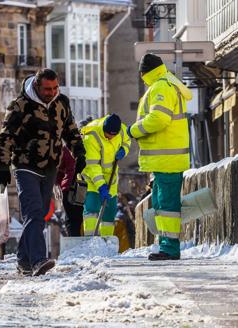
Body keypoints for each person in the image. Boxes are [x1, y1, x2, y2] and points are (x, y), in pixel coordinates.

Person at [0, 68, 86, 276]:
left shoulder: (61, 102)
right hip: (26, 166)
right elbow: (5, 137)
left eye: (55, 88)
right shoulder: (20, 106)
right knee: (33, 211)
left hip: (51, 167)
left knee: (40, 215)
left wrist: (79, 154)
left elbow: (70, 130)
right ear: (37, 86)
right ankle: (38, 260)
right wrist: (2, 166)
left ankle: (23, 259)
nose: (51, 92)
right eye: (47, 89)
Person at [127, 54, 192, 261]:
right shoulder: (166, 84)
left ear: (144, 72)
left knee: (167, 205)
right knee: (161, 203)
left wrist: (134, 130)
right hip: (166, 159)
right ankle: (165, 244)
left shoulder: (160, 87)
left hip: (167, 159)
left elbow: (159, 119)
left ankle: (170, 248)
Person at [81, 114, 131, 236]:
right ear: (104, 128)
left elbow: (127, 140)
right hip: (92, 178)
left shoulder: (121, 130)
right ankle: (90, 241)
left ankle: (107, 242)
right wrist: (101, 187)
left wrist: (124, 150)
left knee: (109, 213)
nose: (111, 137)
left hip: (111, 179)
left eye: (114, 135)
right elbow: (92, 166)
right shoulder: (91, 136)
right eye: (109, 134)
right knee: (92, 209)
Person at [55, 117, 93, 237]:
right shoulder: (66, 148)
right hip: (73, 187)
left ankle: (77, 244)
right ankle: (75, 244)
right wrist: (57, 184)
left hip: (82, 186)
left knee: (78, 218)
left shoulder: (88, 146)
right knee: (74, 218)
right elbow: (58, 169)